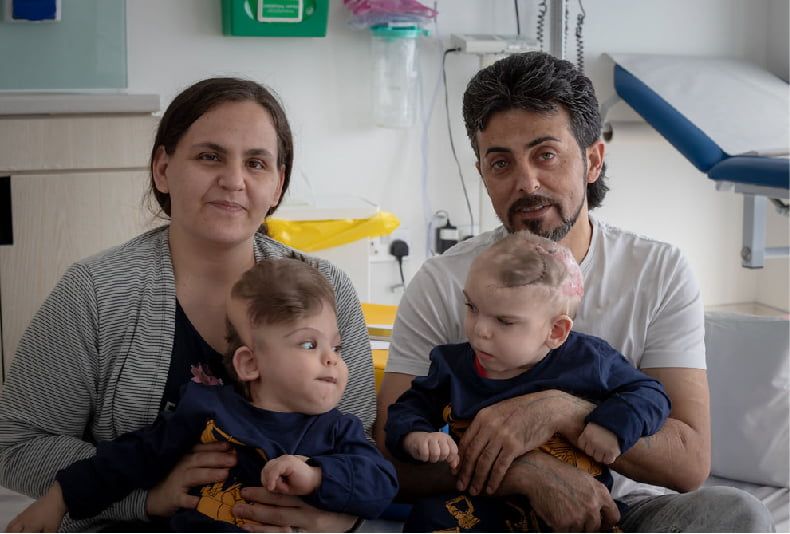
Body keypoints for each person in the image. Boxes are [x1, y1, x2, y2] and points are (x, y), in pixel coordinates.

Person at [374, 52, 775, 531]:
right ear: (482, 174)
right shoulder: (443, 281)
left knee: (738, 515)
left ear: (592, 160)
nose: (527, 183)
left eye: (546, 154)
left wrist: (563, 412)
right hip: (489, 511)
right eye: (501, 163)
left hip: (626, 514)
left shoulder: (658, 271)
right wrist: (525, 473)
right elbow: (388, 459)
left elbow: (688, 464)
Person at [0, 77, 376, 532]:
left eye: (256, 163)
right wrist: (146, 498)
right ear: (162, 168)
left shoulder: (326, 288)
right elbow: (16, 444)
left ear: (277, 187)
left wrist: (336, 518)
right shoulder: (94, 292)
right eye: (209, 156)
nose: (233, 180)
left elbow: (359, 441)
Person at [7, 258, 398, 532]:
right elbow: (129, 458)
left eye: (338, 347)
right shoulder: (206, 410)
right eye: (310, 346)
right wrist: (61, 498)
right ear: (249, 364)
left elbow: (380, 484)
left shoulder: (338, 432)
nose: (332, 360)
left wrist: (316, 477)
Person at [384, 232, 670, 532]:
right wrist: (415, 436)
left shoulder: (590, 361)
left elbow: (650, 393)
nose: (480, 330)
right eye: (472, 307)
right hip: (483, 506)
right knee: (427, 517)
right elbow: (406, 409)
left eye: (504, 321)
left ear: (556, 331)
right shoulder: (451, 366)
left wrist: (613, 424)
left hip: (576, 513)